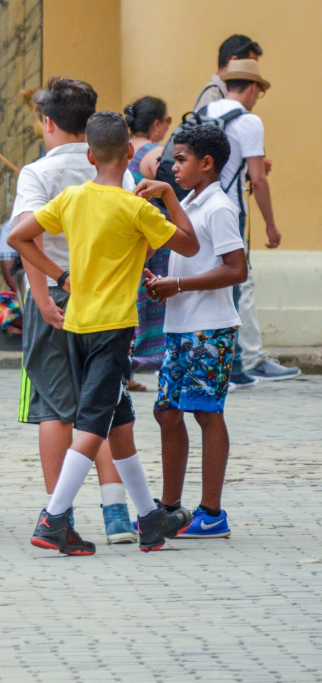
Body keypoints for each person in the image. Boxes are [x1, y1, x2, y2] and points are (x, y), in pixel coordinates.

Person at [10, 111, 200, 556]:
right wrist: (170, 196)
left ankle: (150, 520)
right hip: (114, 330)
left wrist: (61, 275)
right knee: (93, 424)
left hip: (75, 324)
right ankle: (54, 519)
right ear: (130, 153)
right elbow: (190, 245)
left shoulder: (72, 198)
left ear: (91, 155)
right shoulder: (137, 208)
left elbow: (20, 237)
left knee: (119, 417)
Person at [11, 77, 138, 545]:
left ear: (47, 123)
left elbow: (29, 233)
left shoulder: (37, 172)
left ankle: (56, 512)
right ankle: (116, 511)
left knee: (53, 408)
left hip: (58, 293)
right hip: (106, 298)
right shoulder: (113, 169)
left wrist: (43, 296)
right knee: (100, 404)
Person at [144, 124, 246, 539]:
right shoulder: (190, 201)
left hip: (210, 329)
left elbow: (235, 269)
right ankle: (170, 508)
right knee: (166, 411)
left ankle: (212, 512)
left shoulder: (219, 207)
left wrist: (180, 284)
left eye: (181, 159)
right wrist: (164, 283)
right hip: (180, 325)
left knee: (206, 411)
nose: (174, 167)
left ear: (207, 163)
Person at [201, 58, 299, 384]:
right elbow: (258, 181)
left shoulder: (204, 114)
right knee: (235, 284)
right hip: (229, 210)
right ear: (254, 87)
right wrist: (271, 225)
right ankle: (234, 367)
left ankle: (212, 359)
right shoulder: (249, 121)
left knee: (209, 281)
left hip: (198, 209)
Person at [123, 96, 173, 384]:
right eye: (167, 121)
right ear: (156, 124)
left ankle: (126, 369)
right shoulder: (155, 153)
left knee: (136, 300)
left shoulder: (125, 150)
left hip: (132, 235)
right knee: (151, 302)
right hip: (155, 237)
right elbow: (172, 188)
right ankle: (140, 363)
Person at [193, 34, 262, 112]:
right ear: (234, 61)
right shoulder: (213, 94)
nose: (253, 72)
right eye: (250, 66)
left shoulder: (224, 92)